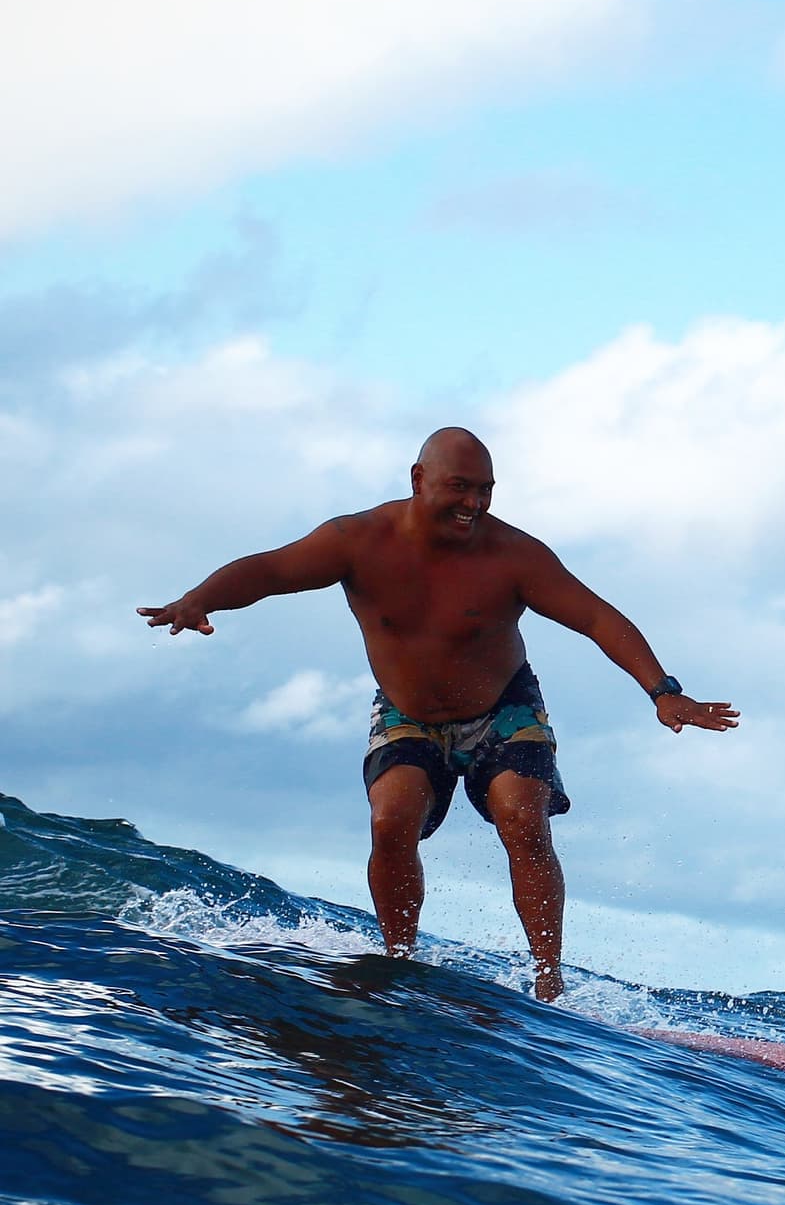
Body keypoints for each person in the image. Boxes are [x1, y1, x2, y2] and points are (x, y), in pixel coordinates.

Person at [139, 427, 738, 1000]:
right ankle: (399, 959)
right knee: (390, 820)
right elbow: (270, 570)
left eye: (486, 490)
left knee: (523, 820)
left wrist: (663, 692)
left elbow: (596, 617)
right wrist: (200, 599)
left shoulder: (515, 555)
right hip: (408, 712)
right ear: (418, 479)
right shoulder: (357, 540)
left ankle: (549, 981)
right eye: (460, 487)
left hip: (503, 708)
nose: (474, 503)